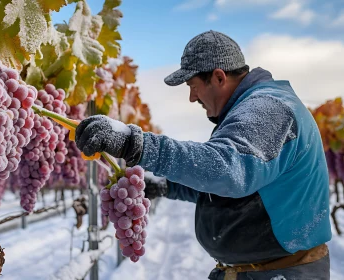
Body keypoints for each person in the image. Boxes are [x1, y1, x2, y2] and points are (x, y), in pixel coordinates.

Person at [74, 30, 332, 280]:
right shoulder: (252, 108)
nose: (191, 97)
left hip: (282, 274)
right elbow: (225, 187)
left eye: (193, 86)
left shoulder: (268, 108)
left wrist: (136, 145)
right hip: (262, 271)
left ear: (219, 77)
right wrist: (164, 186)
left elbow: (228, 170)